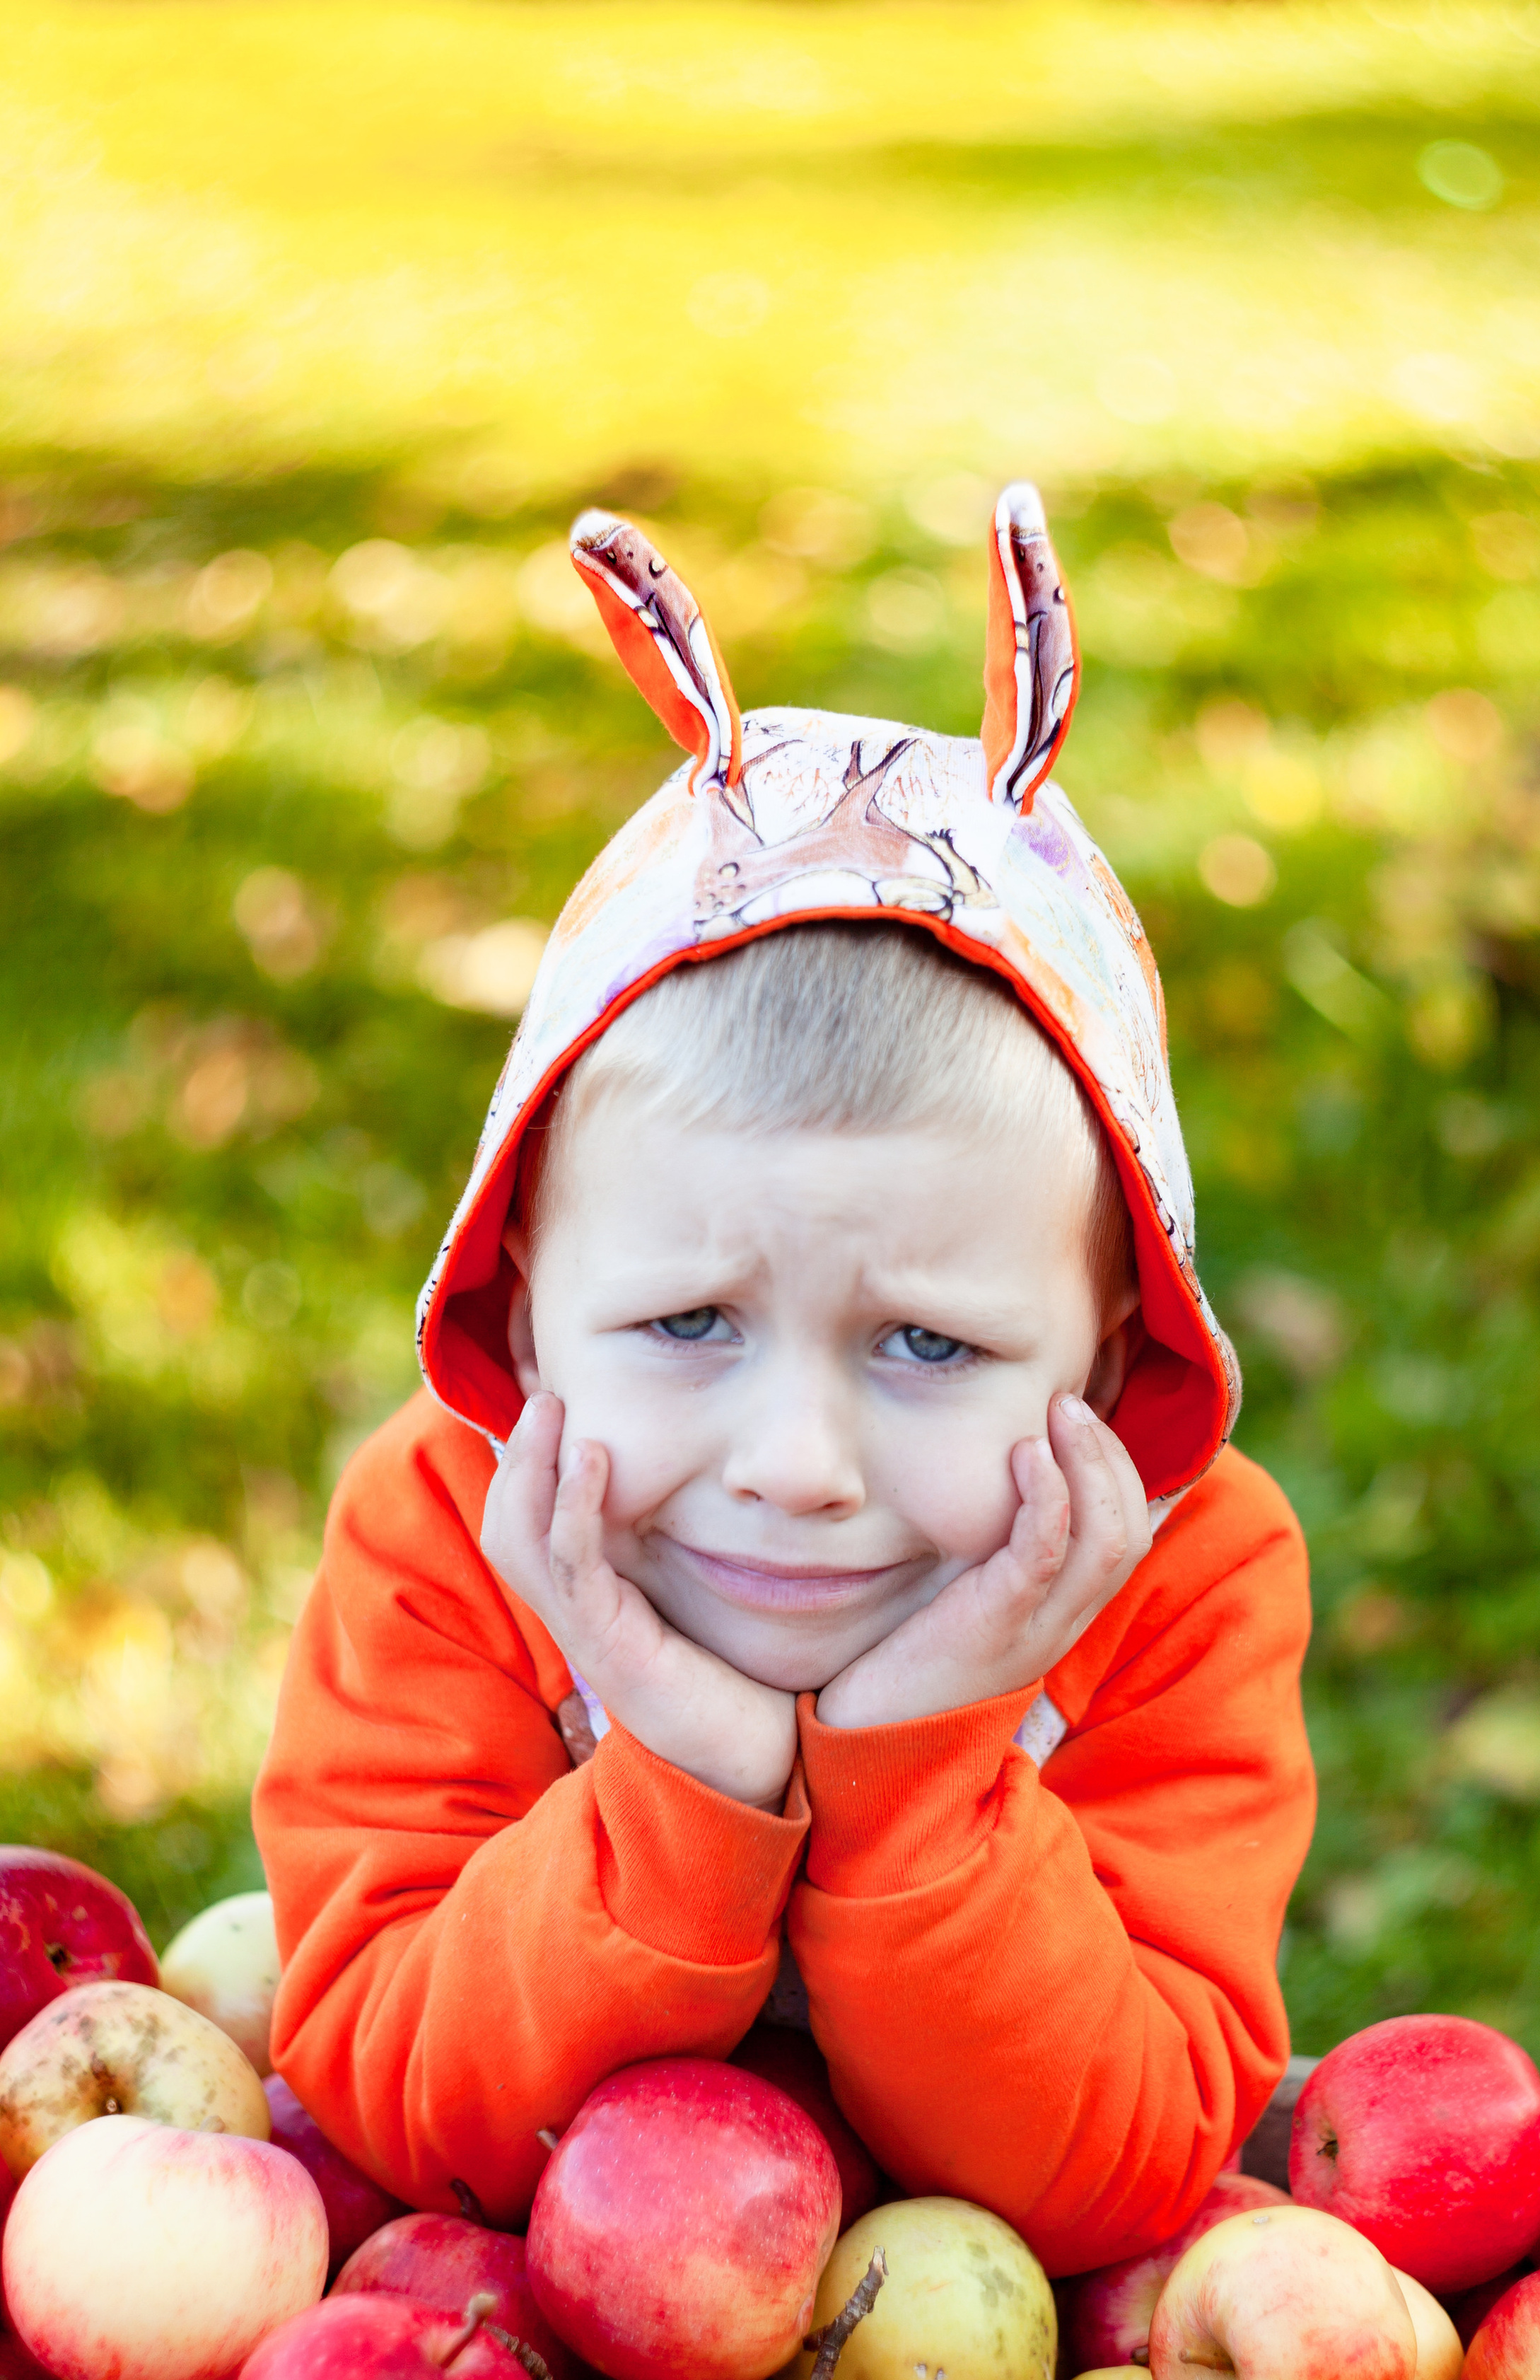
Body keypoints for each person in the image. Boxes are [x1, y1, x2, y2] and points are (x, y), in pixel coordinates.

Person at [255, 486, 1314, 2274]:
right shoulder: (450, 1540)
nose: (800, 1464)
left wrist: (909, 1762)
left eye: (929, 1344)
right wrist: (685, 1775)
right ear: (517, 1318)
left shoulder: (1167, 1589)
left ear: (1109, 1356)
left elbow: (1115, 2176)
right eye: (686, 1326)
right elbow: (397, 2094)